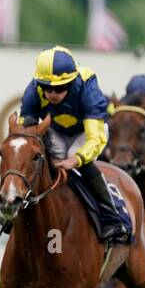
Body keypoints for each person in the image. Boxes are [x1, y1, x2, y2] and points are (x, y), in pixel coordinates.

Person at [18, 45, 128, 244]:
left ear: (70, 82)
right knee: (40, 160)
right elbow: (24, 133)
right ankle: (18, 207)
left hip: (87, 131)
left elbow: (95, 138)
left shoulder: (87, 88)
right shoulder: (33, 91)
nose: (52, 93)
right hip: (57, 131)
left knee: (76, 158)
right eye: (47, 87)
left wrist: (76, 159)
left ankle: (112, 218)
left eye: (59, 88)